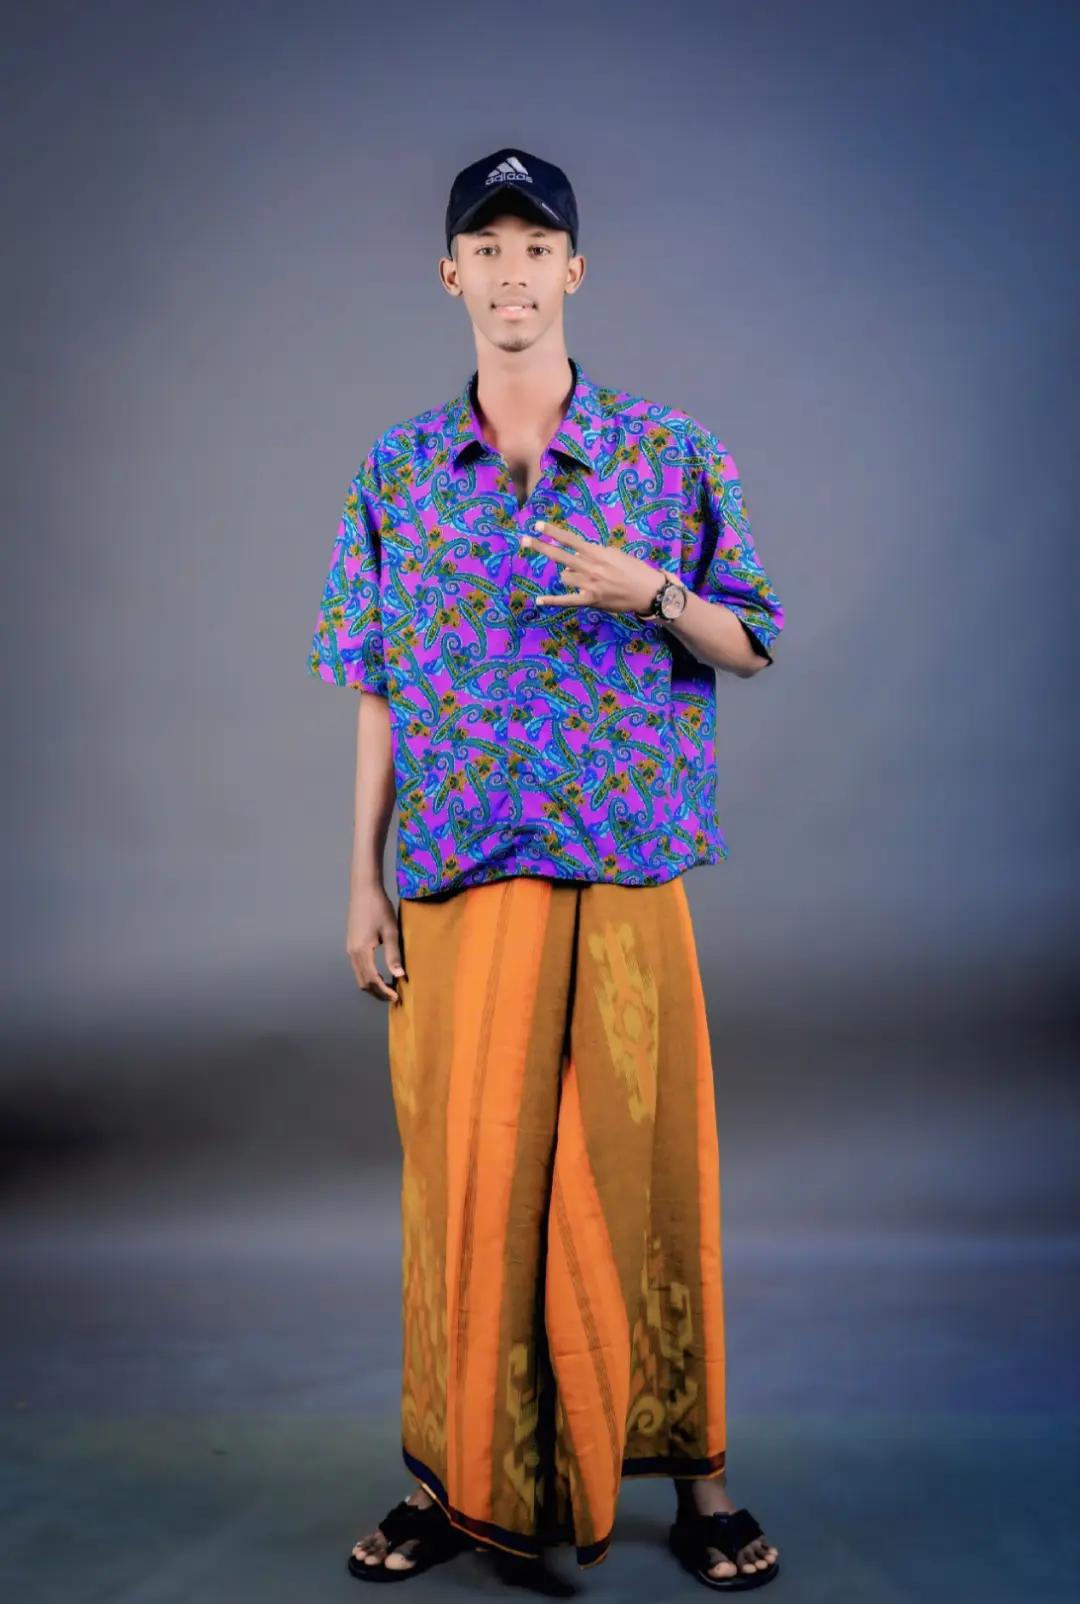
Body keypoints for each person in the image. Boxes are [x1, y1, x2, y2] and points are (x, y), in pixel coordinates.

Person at [308, 146, 785, 1590]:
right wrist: (362, 880)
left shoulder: (671, 452)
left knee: (651, 1182)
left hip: (627, 876)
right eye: (487, 247)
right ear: (449, 273)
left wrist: (657, 591)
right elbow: (375, 685)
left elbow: (752, 642)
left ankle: (698, 1480)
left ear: (575, 270)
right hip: (459, 882)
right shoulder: (397, 472)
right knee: (463, 1189)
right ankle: (448, 1478)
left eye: (535, 247)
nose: (511, 272)